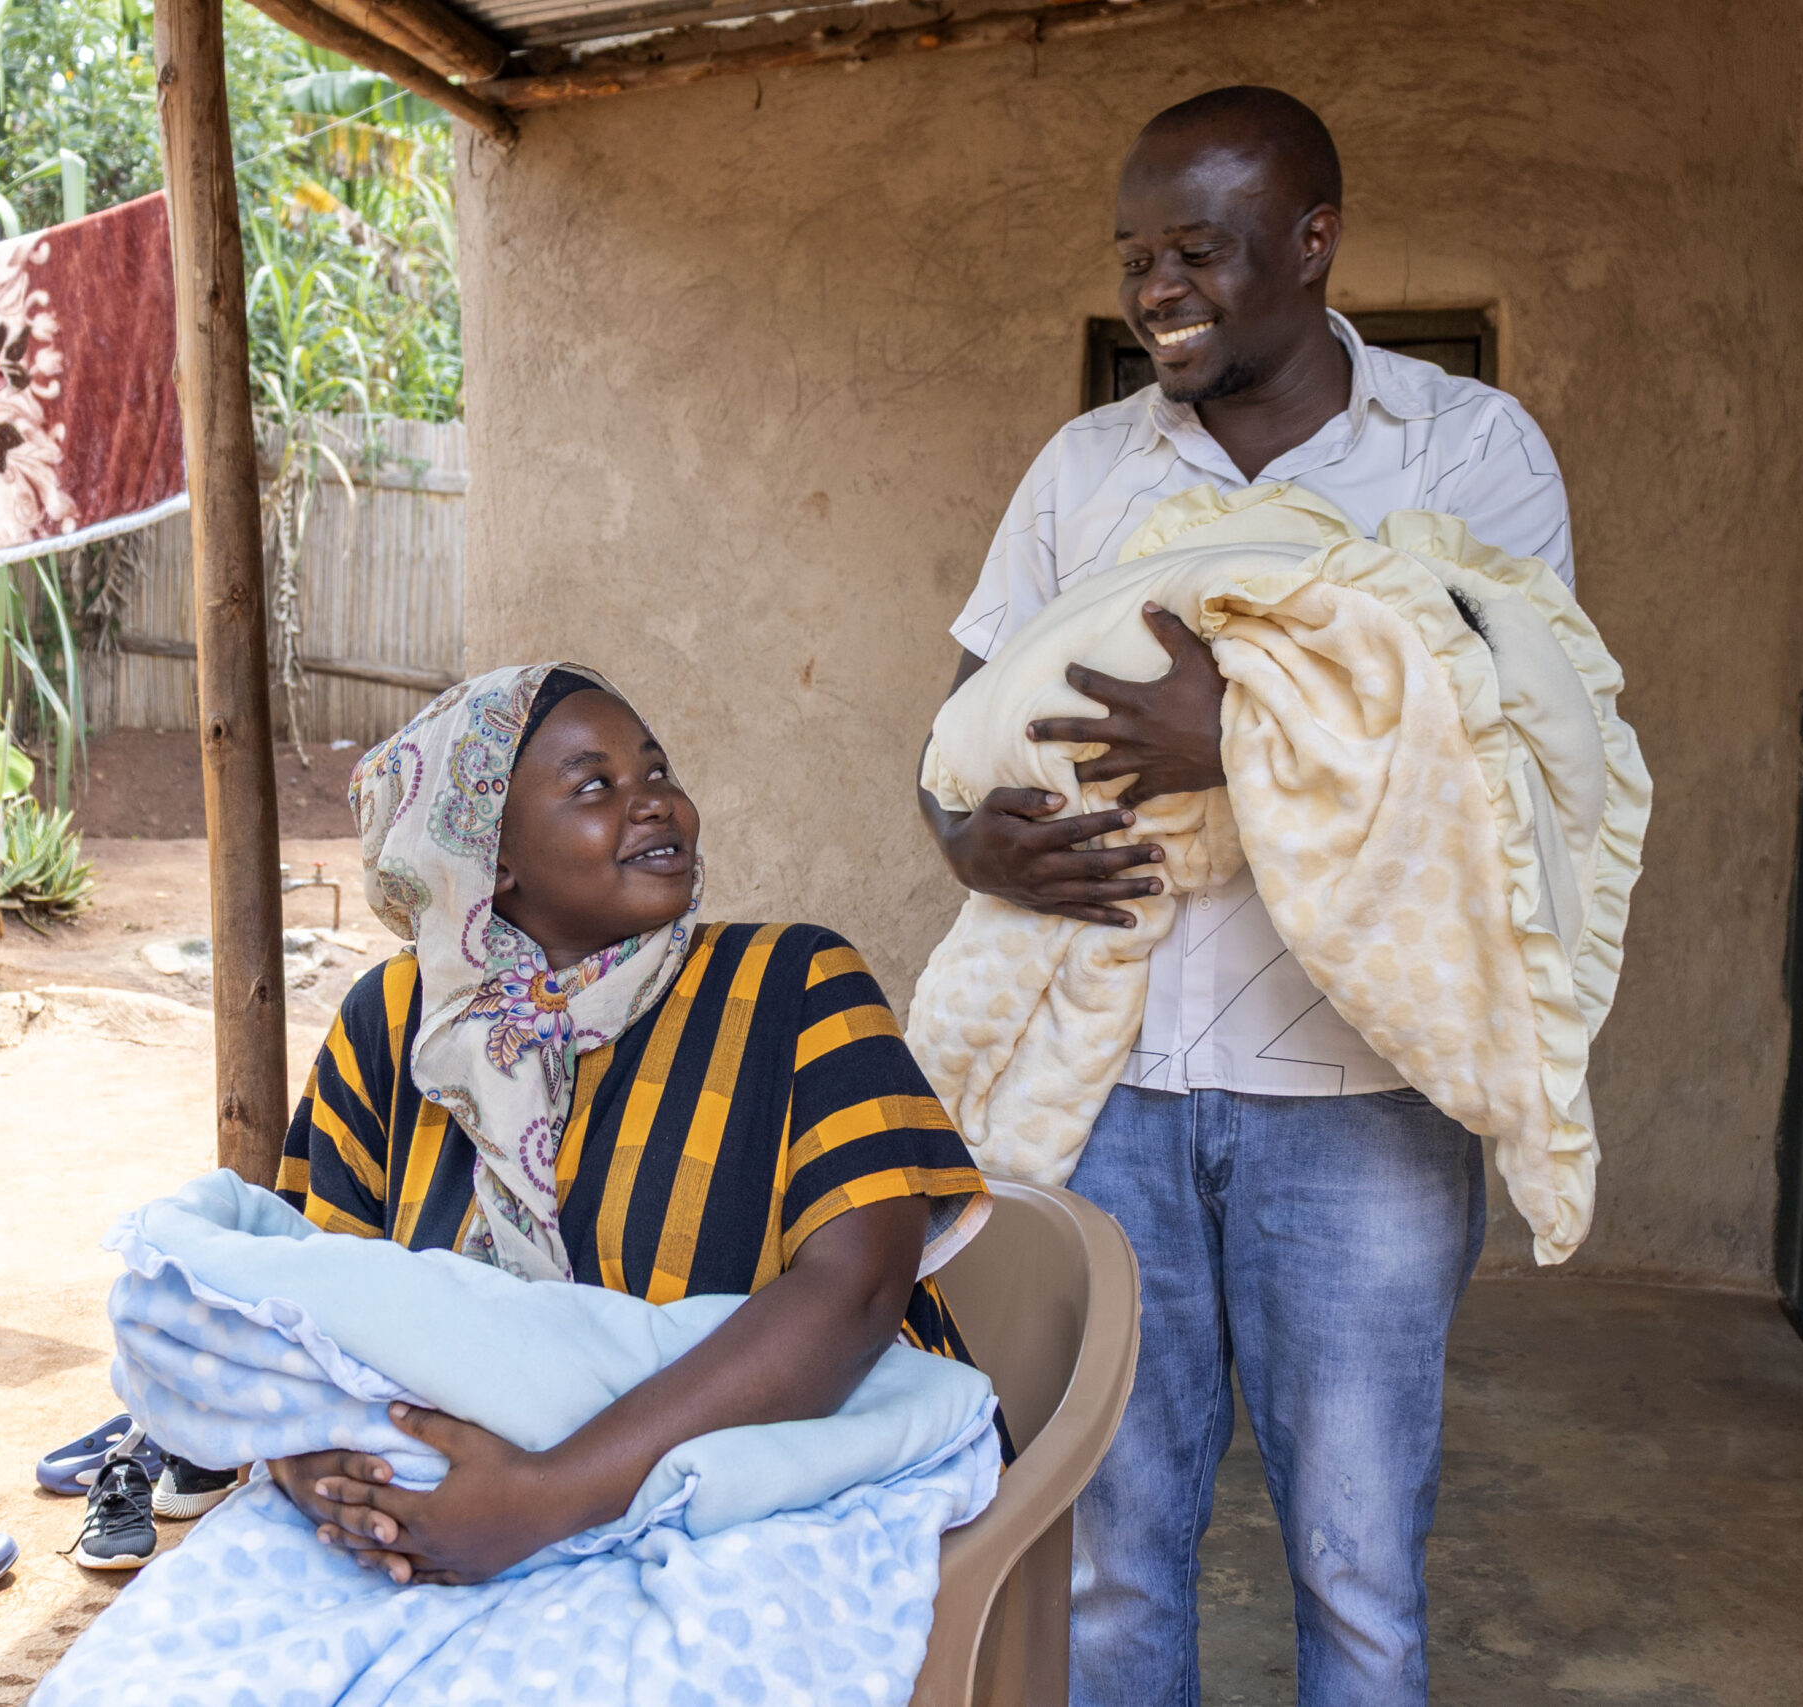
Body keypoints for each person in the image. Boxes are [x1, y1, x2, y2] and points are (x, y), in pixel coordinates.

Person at [919, 87, 1576, 1706]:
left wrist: (1246, 738)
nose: (1157, 289)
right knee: (1118, 1570)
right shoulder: (1085, 470)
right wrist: (969, 846)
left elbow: (1519, 762)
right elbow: (950, 738)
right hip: (1114, 1091)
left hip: (1356, 1102)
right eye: (1137, 255)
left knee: (1358, 1576)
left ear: (1313, 241)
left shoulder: (1469, 457)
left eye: (1195, 250)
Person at [275, 662, 993, 1585]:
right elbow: (302, 1296)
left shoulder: (796, 983)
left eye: (658, 774)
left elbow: (855, 1295)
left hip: (777, 1509)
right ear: (489, 855)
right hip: (457, 1516)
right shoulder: (396, 1022)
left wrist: (546, 1495)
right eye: (595, 786)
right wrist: (329, 1476)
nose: (653, 804)